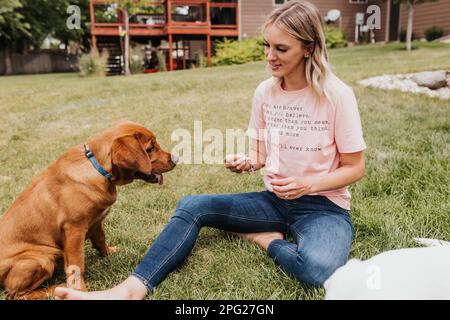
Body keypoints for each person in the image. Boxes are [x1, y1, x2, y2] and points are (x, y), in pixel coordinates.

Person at [55, 0, 366, 300]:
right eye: (266, 46)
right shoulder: (265, 92)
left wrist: (307, 184)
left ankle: (266, 238)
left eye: (281, 49)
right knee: (193, 206)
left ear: (308, 48)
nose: (270, 56)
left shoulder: (337, 95)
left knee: (316, 268)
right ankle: (131, 290)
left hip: (324, 208)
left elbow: (355, 167)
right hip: (274, 201)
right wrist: (246, 161)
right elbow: (260, 156)